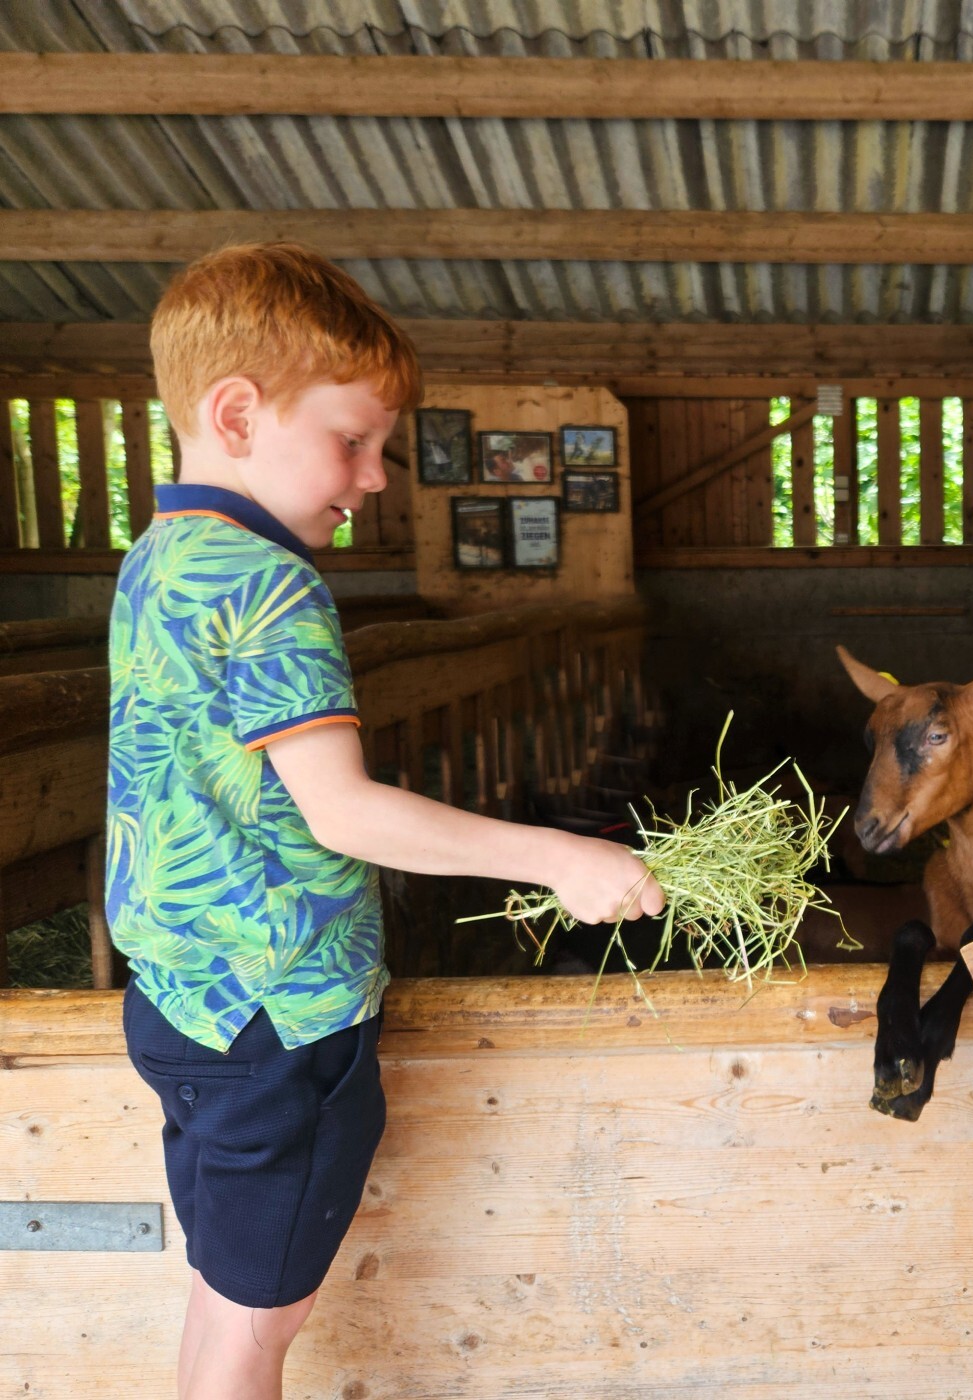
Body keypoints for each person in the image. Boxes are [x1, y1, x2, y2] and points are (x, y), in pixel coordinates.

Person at [108, 241, 665, 1400]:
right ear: (236, 412)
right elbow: (344, 809)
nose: (372, 477)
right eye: (352, 439)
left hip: (185, 1003)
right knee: (261, 1328)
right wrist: (559, 855)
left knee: (226, 1301)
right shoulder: (267, 581)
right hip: (278, 1018)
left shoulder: (162, 556)